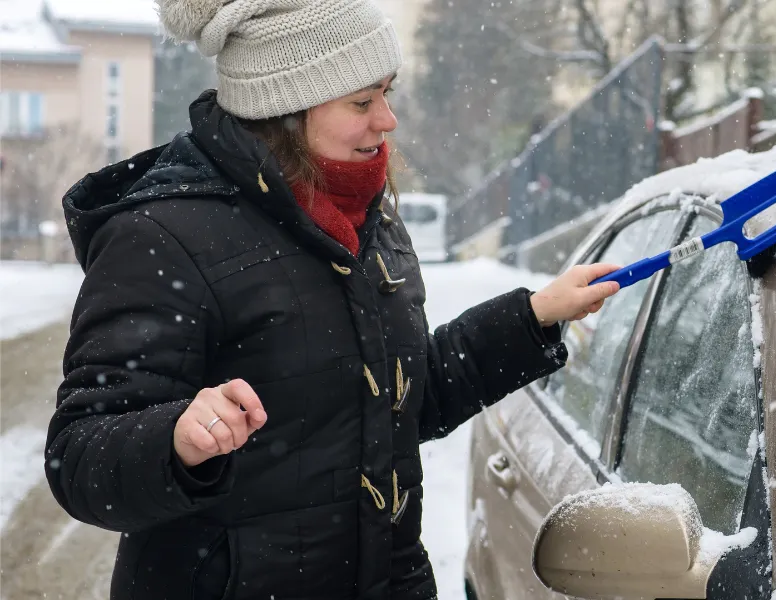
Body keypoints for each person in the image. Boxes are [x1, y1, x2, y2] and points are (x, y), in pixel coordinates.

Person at [42, 0, 621, 598]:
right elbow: (79, 459)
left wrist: (532, 317)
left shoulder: (366, 219)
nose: (388, 120)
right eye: (363, 102)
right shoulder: (164, 235)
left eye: (386, 94)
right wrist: (177, 441)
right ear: (286, 110)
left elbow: (398, 405)